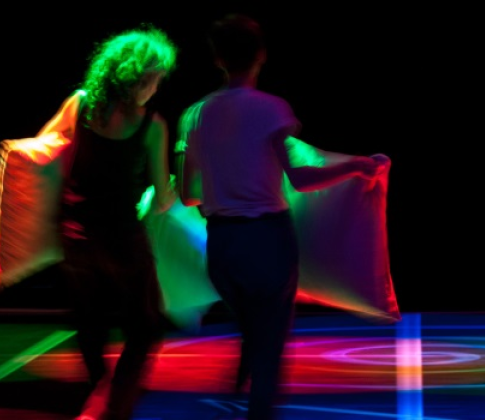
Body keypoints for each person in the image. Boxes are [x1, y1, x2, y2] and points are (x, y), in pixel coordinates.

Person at [175, 14, 387, 420]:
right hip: (268, 241)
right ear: (261, 55)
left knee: (251, 329)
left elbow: (188, 195)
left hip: (223, 246)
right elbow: (301, 179)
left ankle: (240, 381)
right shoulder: (271, 109)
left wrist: (221, 183)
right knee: (269, 347)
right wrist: (358, 165)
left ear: (217, 59)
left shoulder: (194, 116)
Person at [36, 24, 178, 420]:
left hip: (77, 237)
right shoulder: (152, 126)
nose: (157, 88)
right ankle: (114, 406)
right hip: (122, 240)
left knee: (90, 323)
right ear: (140, 78)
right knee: (145, 326)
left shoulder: (79, 105)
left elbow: (41, 153)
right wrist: (161, 194)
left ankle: (99, 387)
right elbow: (163, 198)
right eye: (156, 80)